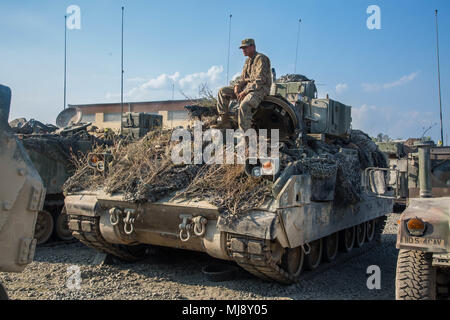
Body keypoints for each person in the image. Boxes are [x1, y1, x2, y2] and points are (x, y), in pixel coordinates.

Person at [214, 39, 272, 131]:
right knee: (223, 91)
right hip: (247, 88)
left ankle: (246, 138)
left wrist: (245, 91)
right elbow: (243, 78)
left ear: (253, 47)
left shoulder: (261, 59)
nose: (243, 50)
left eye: (245, 47)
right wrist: (237, 86)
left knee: (244, 105)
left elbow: (260, 80)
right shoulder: (247, 61)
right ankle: (225, 123)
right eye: (242, 48)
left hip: (260, 89)